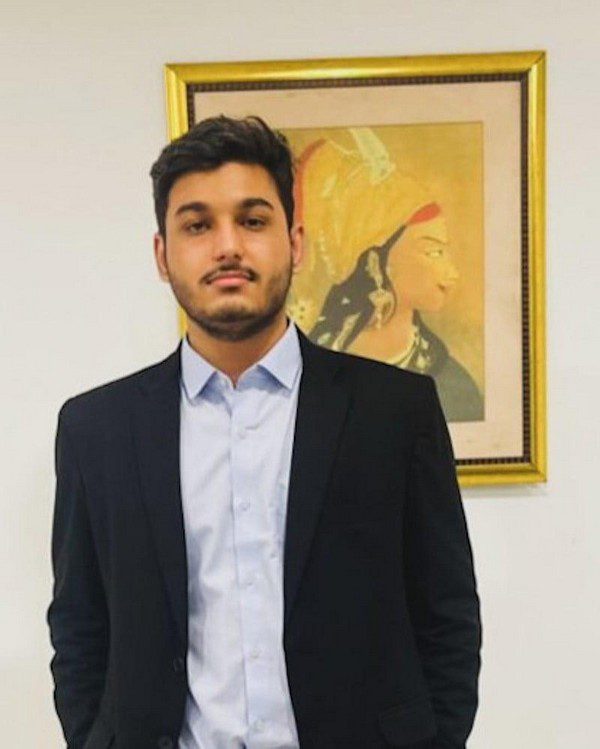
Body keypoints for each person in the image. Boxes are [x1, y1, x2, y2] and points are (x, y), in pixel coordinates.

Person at [48, 115, 481, 749]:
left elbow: (447, 615)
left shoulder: (395, 412)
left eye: (252, 221)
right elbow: (79, 627)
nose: (227, 247)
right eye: (197, 225)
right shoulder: (97, 431)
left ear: (295, 243)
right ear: (162, 255)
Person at [290, 132, 483, 423]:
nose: (451, 272)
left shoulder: (455, 388)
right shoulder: (306, 378)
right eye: (432, 252)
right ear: (376, 262)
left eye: (445, 252)